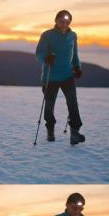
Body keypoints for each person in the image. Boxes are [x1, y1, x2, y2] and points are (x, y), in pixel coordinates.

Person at [35, 10, 85, 145]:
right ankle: (50, 130)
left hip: (68, 75)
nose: (64, 24)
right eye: (62, 21)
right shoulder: (47, 35)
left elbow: (74, 54)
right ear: (56, 21)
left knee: (73, 104)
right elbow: (39, 53)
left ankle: (74, 133)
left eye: (67, 22)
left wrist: (77, 67)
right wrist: (46, 58)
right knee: (49, 106)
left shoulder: (73, 36)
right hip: (50, 76)